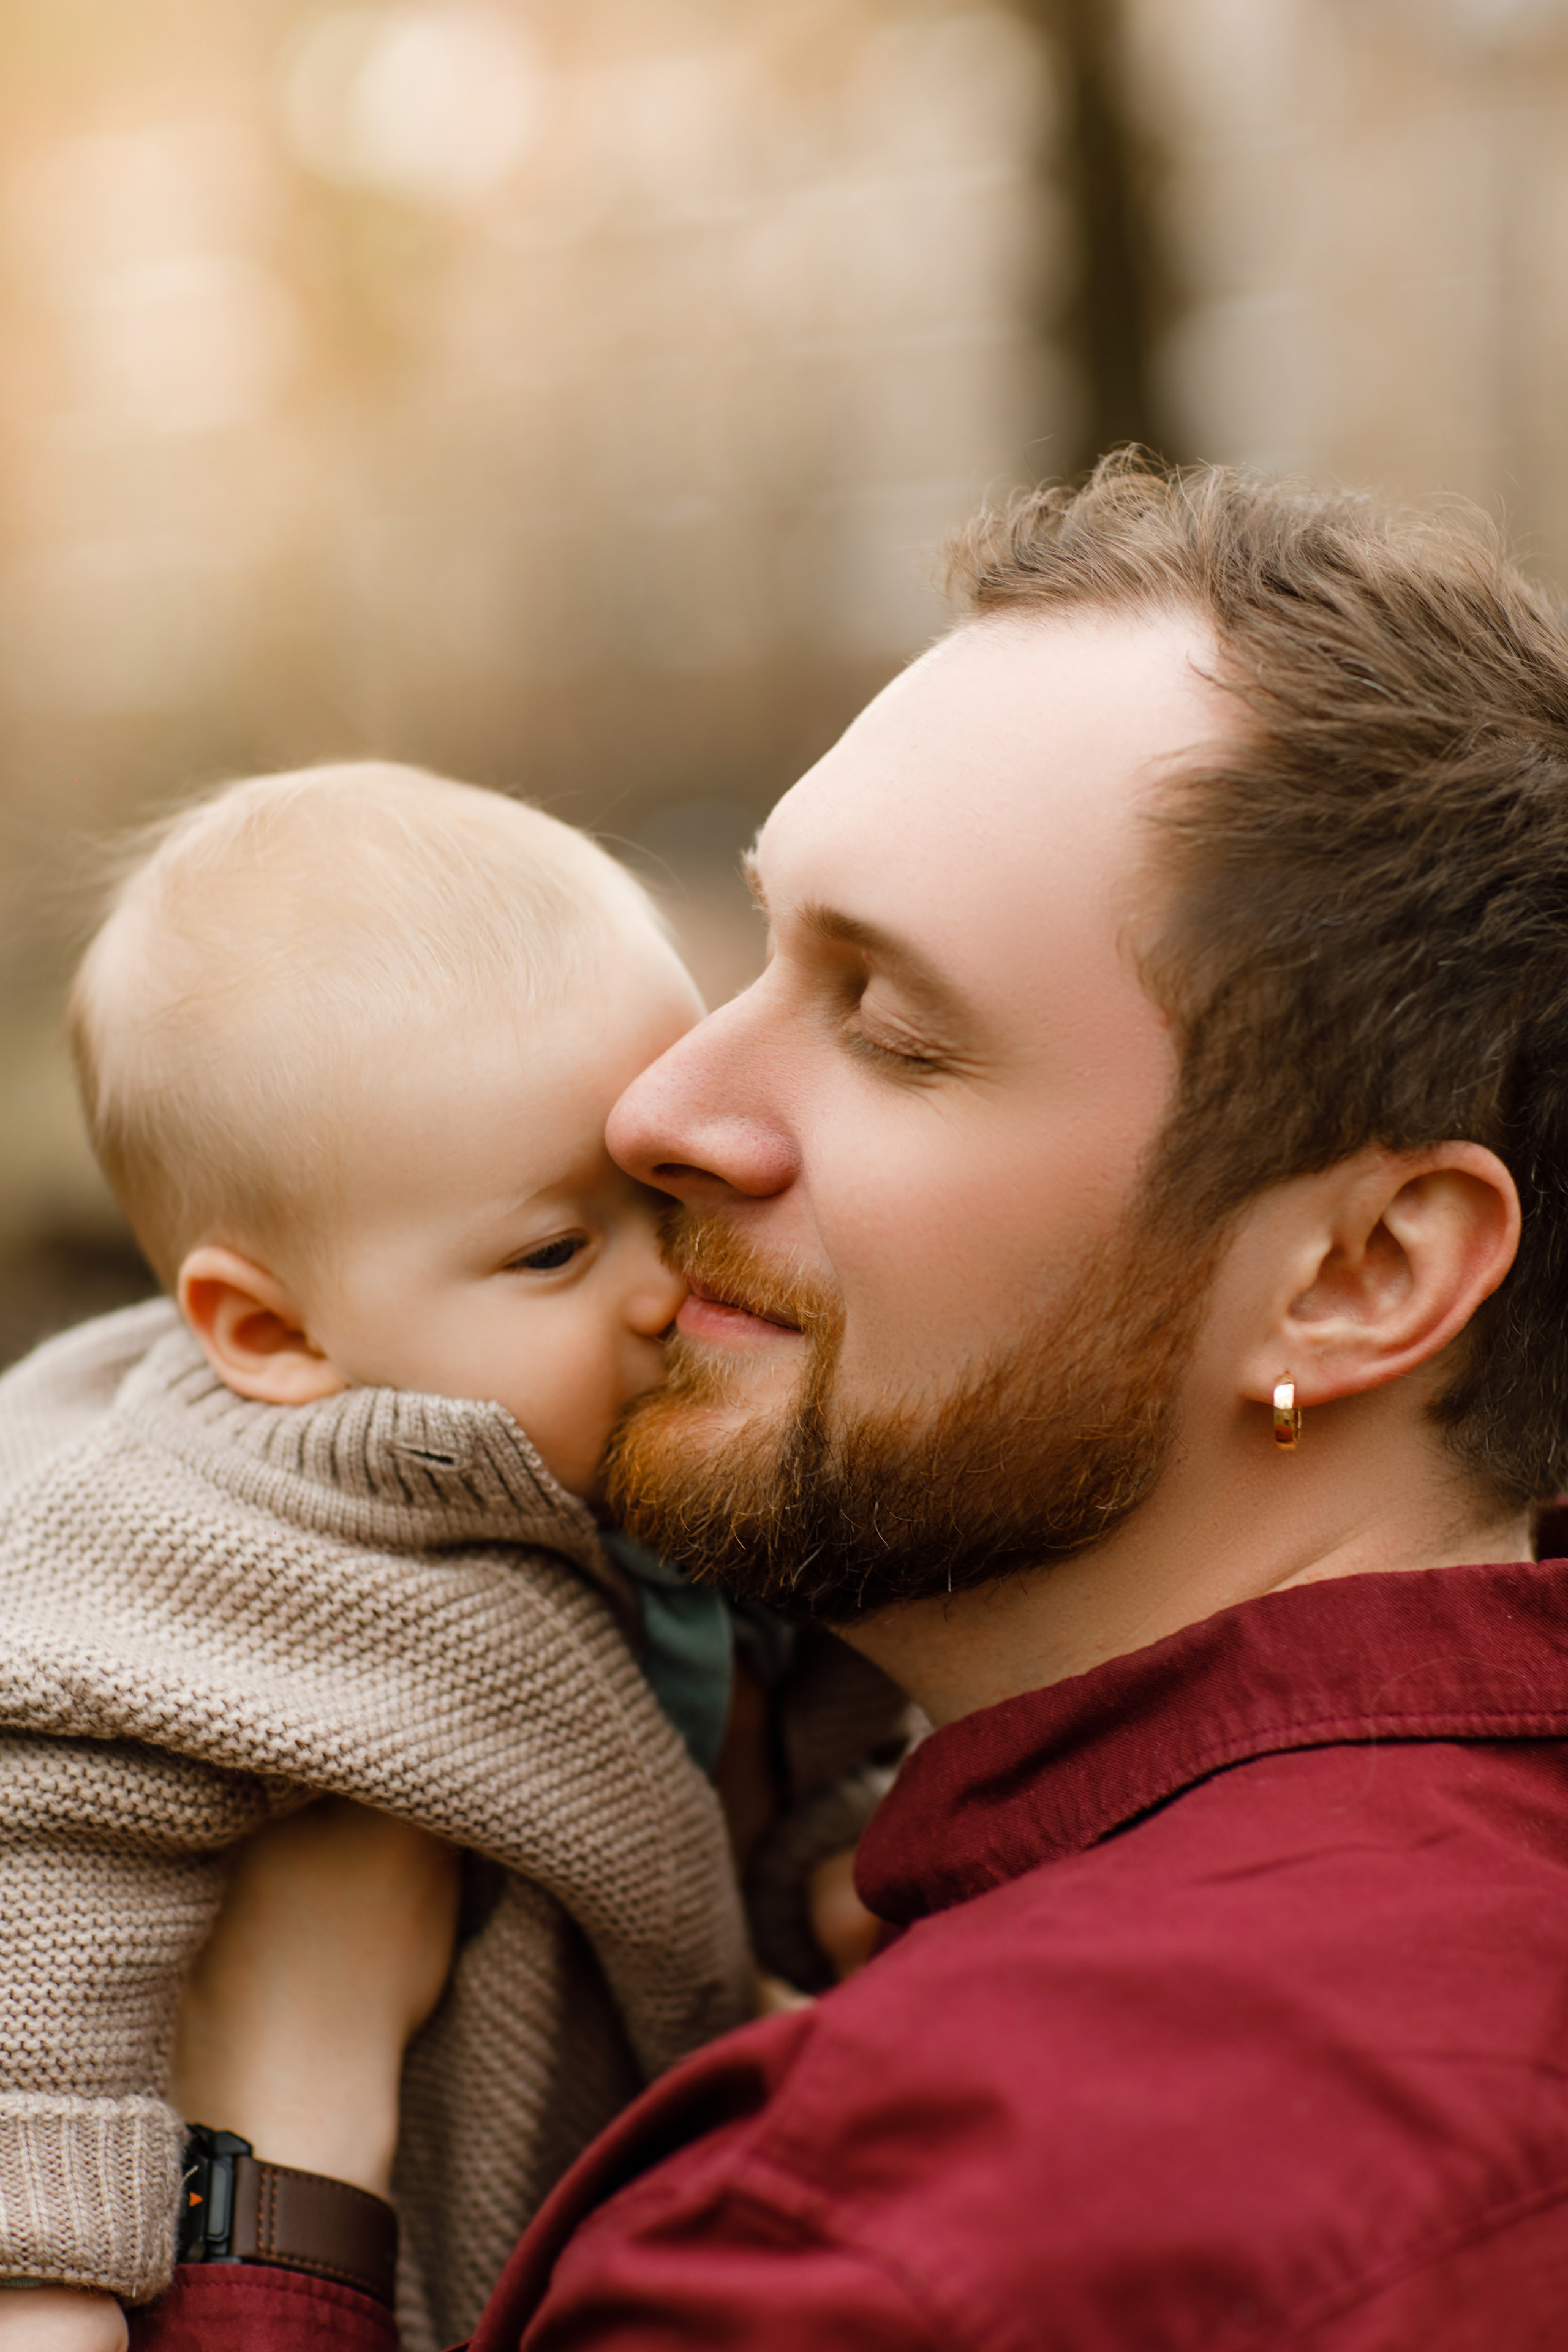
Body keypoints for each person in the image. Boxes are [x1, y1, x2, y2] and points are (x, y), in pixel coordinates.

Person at [102, 454, 1568, 2347]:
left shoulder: (865, 2248)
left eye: (887, 1027)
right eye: (758, 948)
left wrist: (278, 2153)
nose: (660, 1111)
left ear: (1361, 1273)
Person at [0, 767, 902, 2352]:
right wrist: (46, 2284)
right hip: (359, 2261)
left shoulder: (611, 1441)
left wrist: (838, 1848)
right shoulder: (174, 1563)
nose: (658, 1291)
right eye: (556, 1249)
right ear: (272, 1333)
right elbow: (38, 1908)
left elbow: (788, 1664)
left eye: (660, 1199)